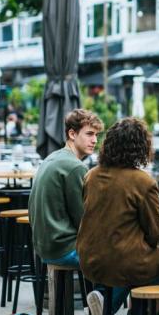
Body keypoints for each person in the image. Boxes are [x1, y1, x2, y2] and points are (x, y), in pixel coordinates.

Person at [77, 118, 159, 315]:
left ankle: (104, 304)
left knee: (125, 263)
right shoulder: (143, 181)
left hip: (88, 259)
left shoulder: (91, 176)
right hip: (125, 262)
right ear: (141, 147)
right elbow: (156, 233)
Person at [28, 109, 103, 267]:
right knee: (124, 257)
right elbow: (84, 220)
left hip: (44, 246)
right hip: (64, 249)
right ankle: (102, 292)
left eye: (96, 135)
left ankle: (99, 291)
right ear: (72, 134)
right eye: (89, 134)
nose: (95, 140)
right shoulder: (75, 167)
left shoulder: (53, 157)